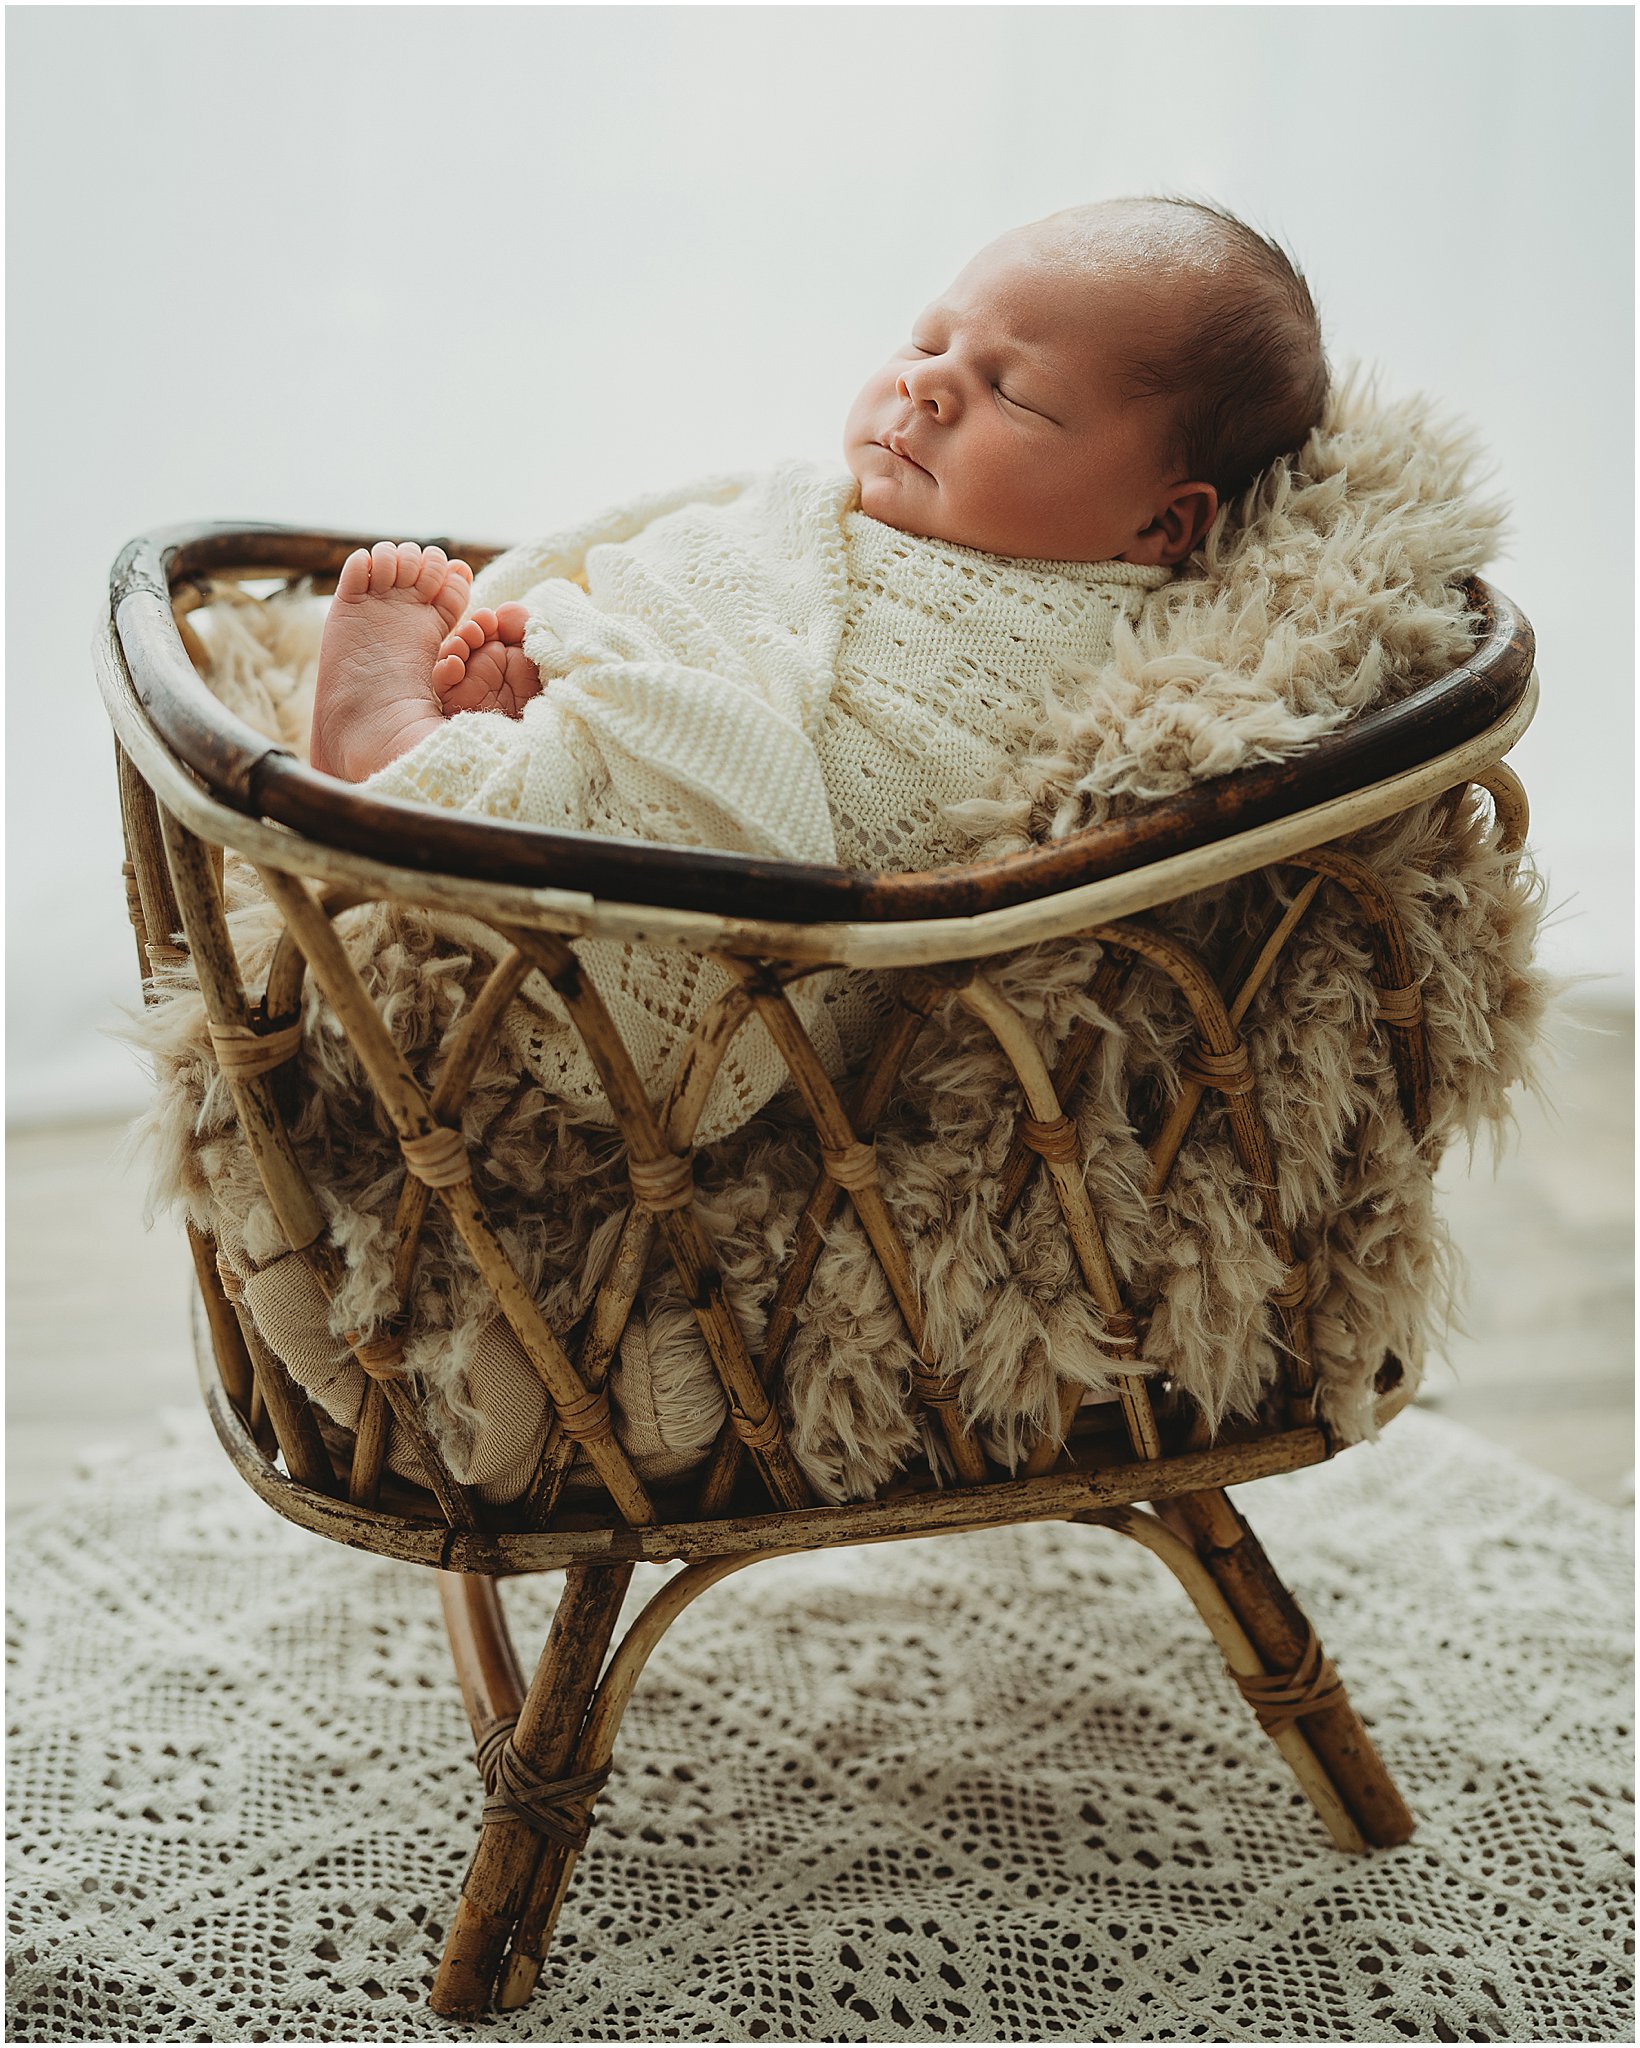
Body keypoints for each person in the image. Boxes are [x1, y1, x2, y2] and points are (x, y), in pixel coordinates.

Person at [305, 194, 1326, 1135]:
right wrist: (605, 643)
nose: (925, 383)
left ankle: (398, 747)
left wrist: (660, 699)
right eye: (927, 341)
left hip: (765, 906)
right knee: (621, 684)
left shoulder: (1078, 641)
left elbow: (902, 797)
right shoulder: (819, 510)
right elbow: (708, 571)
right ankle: (538, 727)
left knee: (706, 800)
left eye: (1013, 392)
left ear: (1162, 522)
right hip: (683, 690)